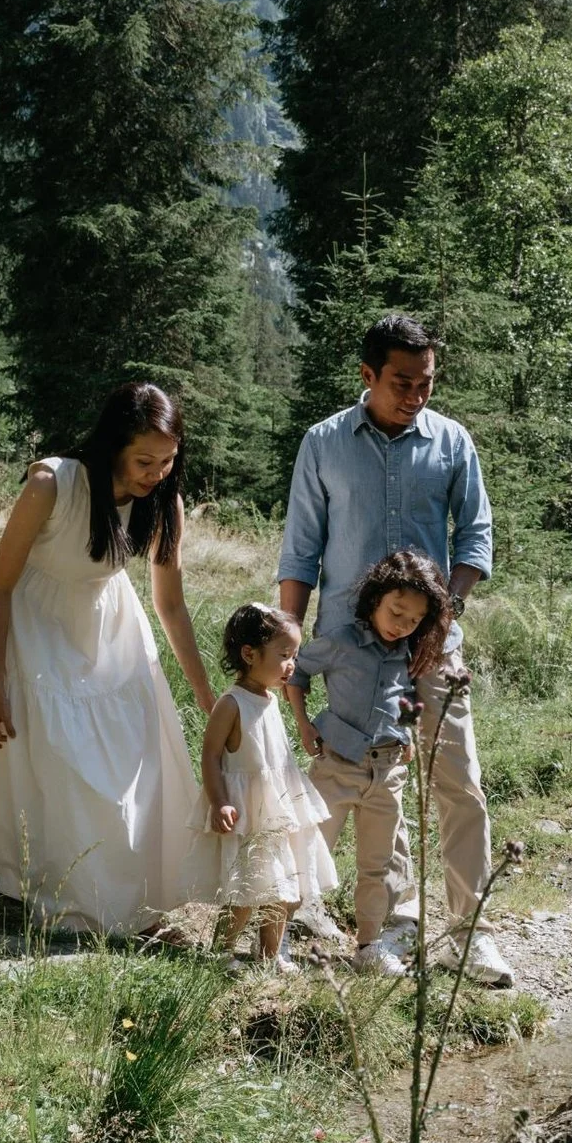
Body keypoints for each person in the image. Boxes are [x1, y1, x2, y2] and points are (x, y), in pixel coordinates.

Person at [277, 314, 513, 987]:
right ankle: (386, 924)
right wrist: (287, 646)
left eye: (427, 383)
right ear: (368, 375)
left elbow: (476, 537)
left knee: (458, 782)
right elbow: (300, 550)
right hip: (347, 651)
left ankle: (472, 934)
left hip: (432, 651)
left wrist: (441, 619)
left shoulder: (452, 442)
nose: (415, 395)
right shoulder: (323, 443)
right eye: (402, 382)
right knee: (368, 779)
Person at [0, 382, 219, 934]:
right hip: (36, 626)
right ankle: (69, 900)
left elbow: (172, 606)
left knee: (136, 762)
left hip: (112, 628)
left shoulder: (163, 500)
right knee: (64, 767)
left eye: (168, 460)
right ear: (113, 445)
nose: (156, 472)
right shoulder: (51, 485)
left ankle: (134, 898)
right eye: (144, 460)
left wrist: (208, 697)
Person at [284, 553, 447, 975]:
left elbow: (406, 694)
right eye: (396, 611)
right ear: (375, 599)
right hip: (336, 766)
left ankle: (368, 946)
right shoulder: (339, 641)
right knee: (308, 849)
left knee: (377, 863)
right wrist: (303, 724)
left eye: (413, 620)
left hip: (388, 772)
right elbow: (295, 673)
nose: (402, 624)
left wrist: (408, 729)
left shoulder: (408, 653)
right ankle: (277, 935)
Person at [199, 604, 338, 974]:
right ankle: (221, 950)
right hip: (249, 813)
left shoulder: (270, 698)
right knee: (246, 891)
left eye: (294, 656)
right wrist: (219, 802)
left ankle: (269, 955)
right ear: (250, 654)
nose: (292, 664)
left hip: (278, 810)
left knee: (285, 889)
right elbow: (210, 756)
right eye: (284, 655)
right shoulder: (231, 704)